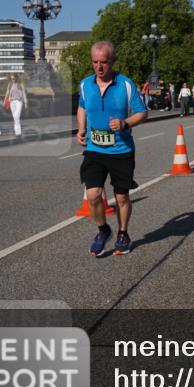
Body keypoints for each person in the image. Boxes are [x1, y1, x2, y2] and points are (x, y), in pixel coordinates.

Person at [76, 40, 148, 256]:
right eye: (95, 62)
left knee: (121, 198)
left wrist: (125, 123)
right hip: (94, 149)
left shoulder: (125, 84)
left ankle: (123, 233)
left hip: (121, 150)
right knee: (93, 195)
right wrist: (81, 129)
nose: (99, 66)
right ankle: (103, 230)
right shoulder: (85, 84)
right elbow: (81, 107)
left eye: (104, 62)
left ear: (112, 61)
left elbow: (142, 112)